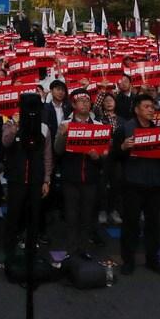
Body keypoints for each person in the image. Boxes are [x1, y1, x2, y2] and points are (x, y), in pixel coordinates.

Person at [114, 93, 160, 275]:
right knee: (130, 223)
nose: (151, 110)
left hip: (156, 184)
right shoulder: (125, 129)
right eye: (146, 107)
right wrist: (123, 148)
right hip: (133, 183)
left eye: (152, 107)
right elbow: (114, 156)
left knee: (153, 223)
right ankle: (128, 260)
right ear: (136, 109)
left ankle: (152, 260)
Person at [1, 93, 53, 264]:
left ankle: (31, 250)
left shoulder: (44, 128)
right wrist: (15, 125)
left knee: (34, 216)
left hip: (36, 180)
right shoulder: (11, 123)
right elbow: (5, 142)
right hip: (16, 180)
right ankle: (9, 251)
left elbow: (47, 156)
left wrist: (46, 179)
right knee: (13, 216)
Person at [53, 88, 104, 257]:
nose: (85, 103)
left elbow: (105, 154)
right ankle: (71, 250)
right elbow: (57, 150)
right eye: (81, 101)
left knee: (87, 215)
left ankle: (84, 249)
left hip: (91, 177)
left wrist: (98, 156)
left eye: (87, 101)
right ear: (74, 104)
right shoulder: (65, 124)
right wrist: (62, 135)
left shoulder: (99, 126)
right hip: (70, 177)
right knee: (71, 216)